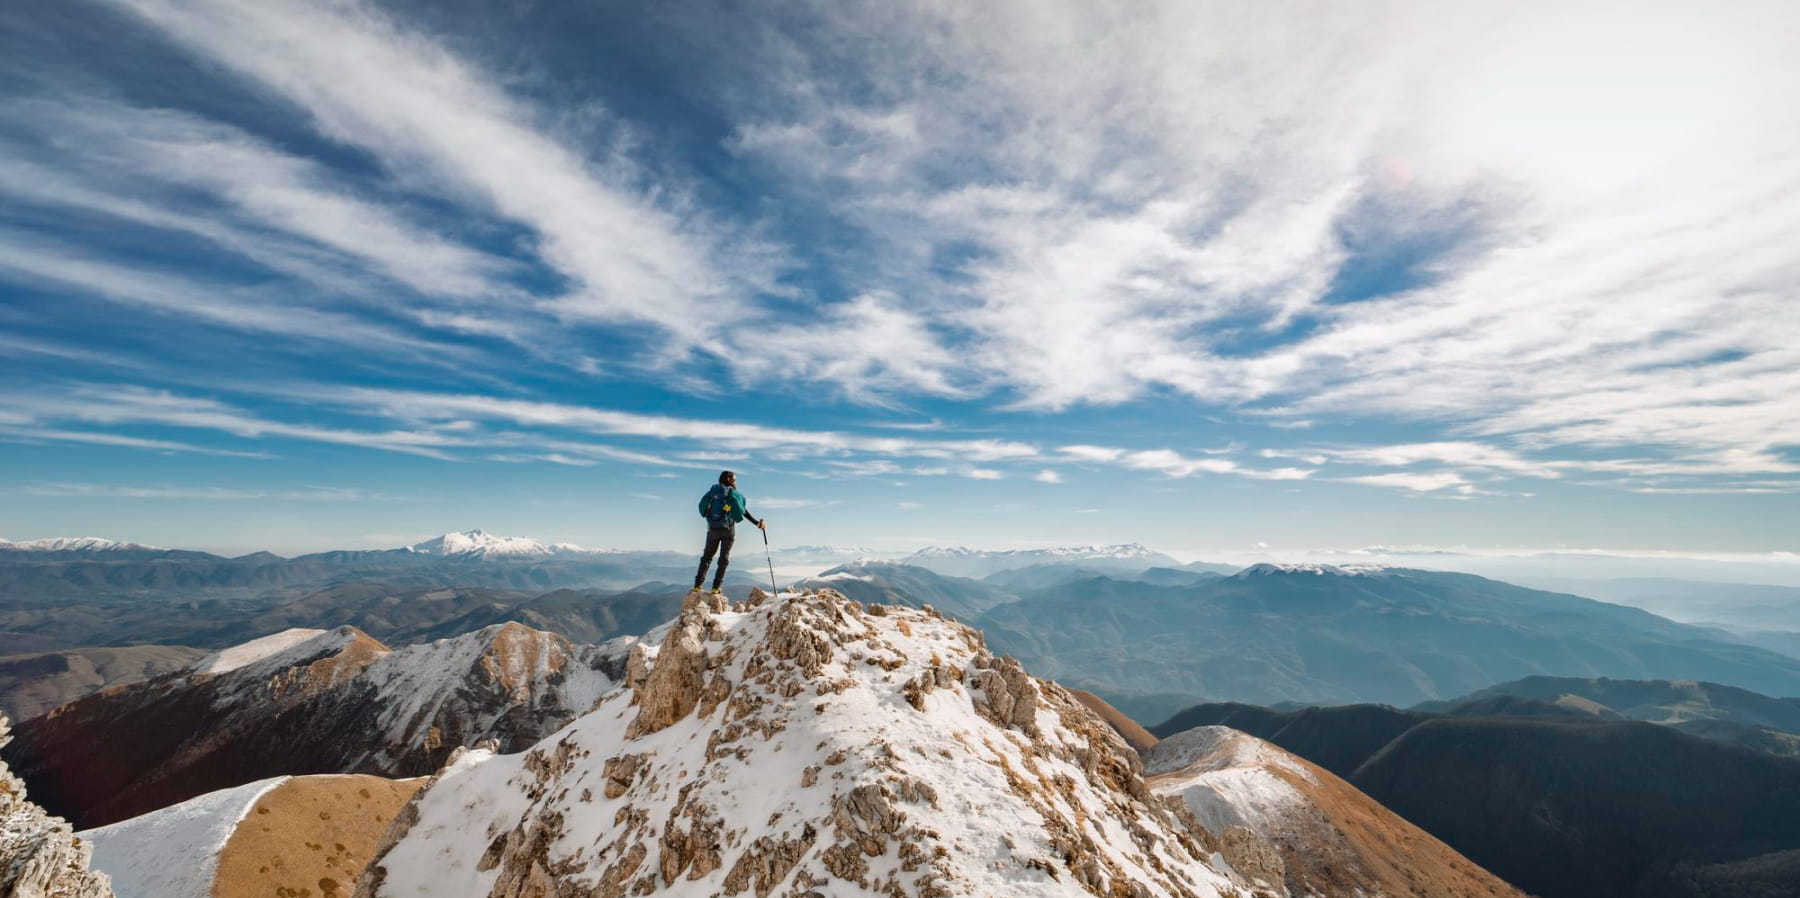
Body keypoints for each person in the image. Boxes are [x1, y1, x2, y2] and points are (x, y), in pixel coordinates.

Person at [694, 470, 764, 595]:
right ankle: (716, 588)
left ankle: (697, 585)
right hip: (728, 530)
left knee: (707, 558)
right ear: (729, 480)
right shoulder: (734, 494)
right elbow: (743, 511)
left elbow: (702, 507)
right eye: (734, 479)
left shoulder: (712, 492)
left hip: (713, 529)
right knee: (723, 559)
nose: (736, 482)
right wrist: (757, 523)